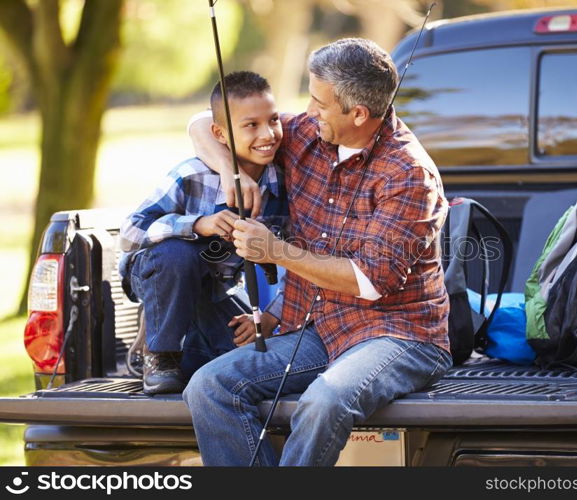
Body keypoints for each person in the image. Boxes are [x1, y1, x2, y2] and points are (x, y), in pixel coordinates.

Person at [184, 38, 451, 466]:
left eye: (319, 103)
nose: (308, 112)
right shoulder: (312, 134)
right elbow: (203, 122)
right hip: (320, 328)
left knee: (323, 400)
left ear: (358, 113)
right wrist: (229, 170)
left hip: (399, 335)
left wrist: (276, 250)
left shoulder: (409, 174)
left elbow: (369, 281)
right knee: (208, 386)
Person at [119, 71, 287, 395]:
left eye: (274, 120)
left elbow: (296, 254)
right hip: (158, 273)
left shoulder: (281, 184)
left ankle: (187, 354)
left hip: (215, 291)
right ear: (220, 134)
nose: (268, 133)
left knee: (244, 368)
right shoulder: (191, 174)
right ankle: (159, 353)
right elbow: (129, 233)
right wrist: (195, 224)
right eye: (251, 125)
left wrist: (271, 316)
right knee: (178, 254)